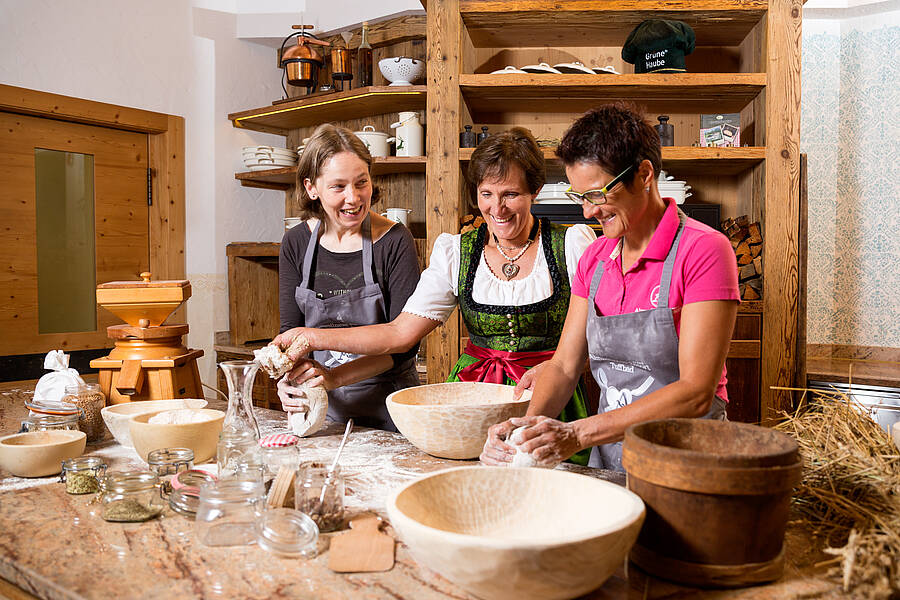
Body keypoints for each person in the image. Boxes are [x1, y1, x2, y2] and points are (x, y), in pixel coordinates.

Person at [275, 127, 596, 464]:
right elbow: (401, 333)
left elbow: (599, 339)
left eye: (511, 194)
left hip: (552, 398)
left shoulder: (572, 245)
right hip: (475, 399)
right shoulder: (457, 252)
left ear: (535, 191)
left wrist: (565, 366)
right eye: (486, 194)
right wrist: (309, 342)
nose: (497, 208)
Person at [480, 103, 740, 471]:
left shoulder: (704, 250)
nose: (588, 211)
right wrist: (525, 430)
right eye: (580, 196)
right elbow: (565, 366)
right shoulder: (596, 258)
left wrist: (578, 435)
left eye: (597, 194)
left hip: (688, 465)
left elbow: (696, 392)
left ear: (644, 174)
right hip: (611, 457)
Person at [275, 123, 421, 431]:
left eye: (361, 183)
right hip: (322, 410)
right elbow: (292, 333)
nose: (353, 198)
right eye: (338, 187)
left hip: (391, 409)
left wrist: (334, 377)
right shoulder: (296, 243)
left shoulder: (395, 241)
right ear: (311, 187)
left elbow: (404, 347)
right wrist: (290, 382)